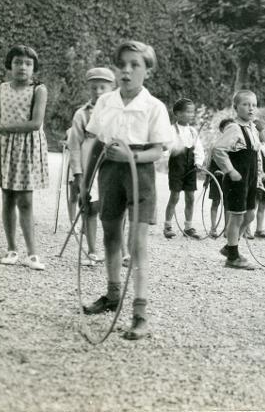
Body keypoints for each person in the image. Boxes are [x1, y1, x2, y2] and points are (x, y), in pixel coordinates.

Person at [81, 40, 174, 340]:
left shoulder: (153, 107)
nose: (126, 70)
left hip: (139, 173)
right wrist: (84, 185)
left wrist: (131, 157)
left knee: (137, 244)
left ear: (148, 70)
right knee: (109, 232)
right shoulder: (106, 102)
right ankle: (111, 294)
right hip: (109, 172)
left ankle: (140, 313)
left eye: (135, 65)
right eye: (122, 64)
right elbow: (95, 142)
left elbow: (158, 151)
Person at [0, 45, 50, 270]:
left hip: (27, 147)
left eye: (28, 63)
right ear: (10, 65)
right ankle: (11, 249)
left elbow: (35, 123)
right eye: (17, 62)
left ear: (34, 67)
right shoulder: (2, 88)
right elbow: (0, 115)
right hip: (6, 146)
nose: (22, 67)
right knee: (8, 197)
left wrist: (4, 127)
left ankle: (32, 254)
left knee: (26, 199)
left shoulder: (39, 90)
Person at [67, 67, 116, 265]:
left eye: (102, 88)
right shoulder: (82, 114)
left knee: (115, 208)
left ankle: (118, 251)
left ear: (112, 88)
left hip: (112, 165)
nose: (98, 92)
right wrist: (77, 173)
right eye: (94, 88)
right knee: (90, 207)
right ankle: (93, 250)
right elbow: (74, 145)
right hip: (89, 168)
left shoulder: (118, 112)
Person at [213, 90, 261, 270]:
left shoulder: (253, 128)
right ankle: (232, 257)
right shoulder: (234, 128)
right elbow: (218, 149)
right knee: (236, 216)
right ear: (236, 108)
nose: (251, 108)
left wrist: (259, 178)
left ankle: (229, 246)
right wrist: (230, 170)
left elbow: (256, 156)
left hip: (250, 178)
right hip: (237, 178)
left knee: (250, 215)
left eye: (254, 105)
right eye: (246, 105)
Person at [163, 98, 205, 240]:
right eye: (188, 112)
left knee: (190, 197)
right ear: (178, 114)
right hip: (177, 167)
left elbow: (199, 149)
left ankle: (188, 227)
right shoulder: (171, 130)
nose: (191, 114)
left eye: (192, 112)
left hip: (190, 168)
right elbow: (165, 148)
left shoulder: (193, 131)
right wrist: (171, 150)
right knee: (174, 196)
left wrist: (199, 163)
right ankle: (168, 226)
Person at [206, 118, 235, 239]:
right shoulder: (215, 144)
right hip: (215, 177)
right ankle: (213, 228)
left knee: (228, 204)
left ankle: (227, 229)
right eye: (227, 128)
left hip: (227, 177)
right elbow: (209, 162)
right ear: (222, 130)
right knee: (216, 201)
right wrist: (207, 177)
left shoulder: (234, 145)